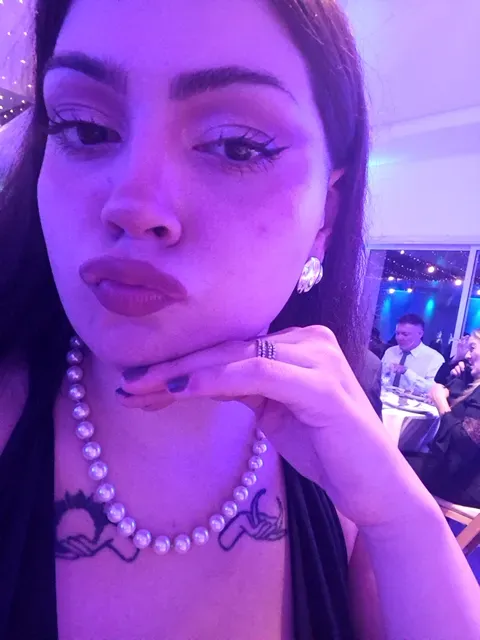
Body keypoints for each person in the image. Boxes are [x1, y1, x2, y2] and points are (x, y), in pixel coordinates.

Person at [0, 1, 479, 639]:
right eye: (86, 129)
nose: (133, 205)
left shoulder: (341, 477)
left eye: (235, 145)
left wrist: (403, 517)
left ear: (326, 215)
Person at [406, 329, 480, 507]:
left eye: (472, 348)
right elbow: (444, 385)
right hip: (461, 474)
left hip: (465, 484)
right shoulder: (473, 382)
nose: (468, 355)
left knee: (392, 464)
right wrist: (456, 371)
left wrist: (441, 404)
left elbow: (465, 442)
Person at [382, 313, 445, 392]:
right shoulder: (390, 352)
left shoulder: (435, 358)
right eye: (397, 333)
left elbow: (433, 390)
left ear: (420, 334)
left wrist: (407, 372)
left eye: (405, 334)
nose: (399, 338)